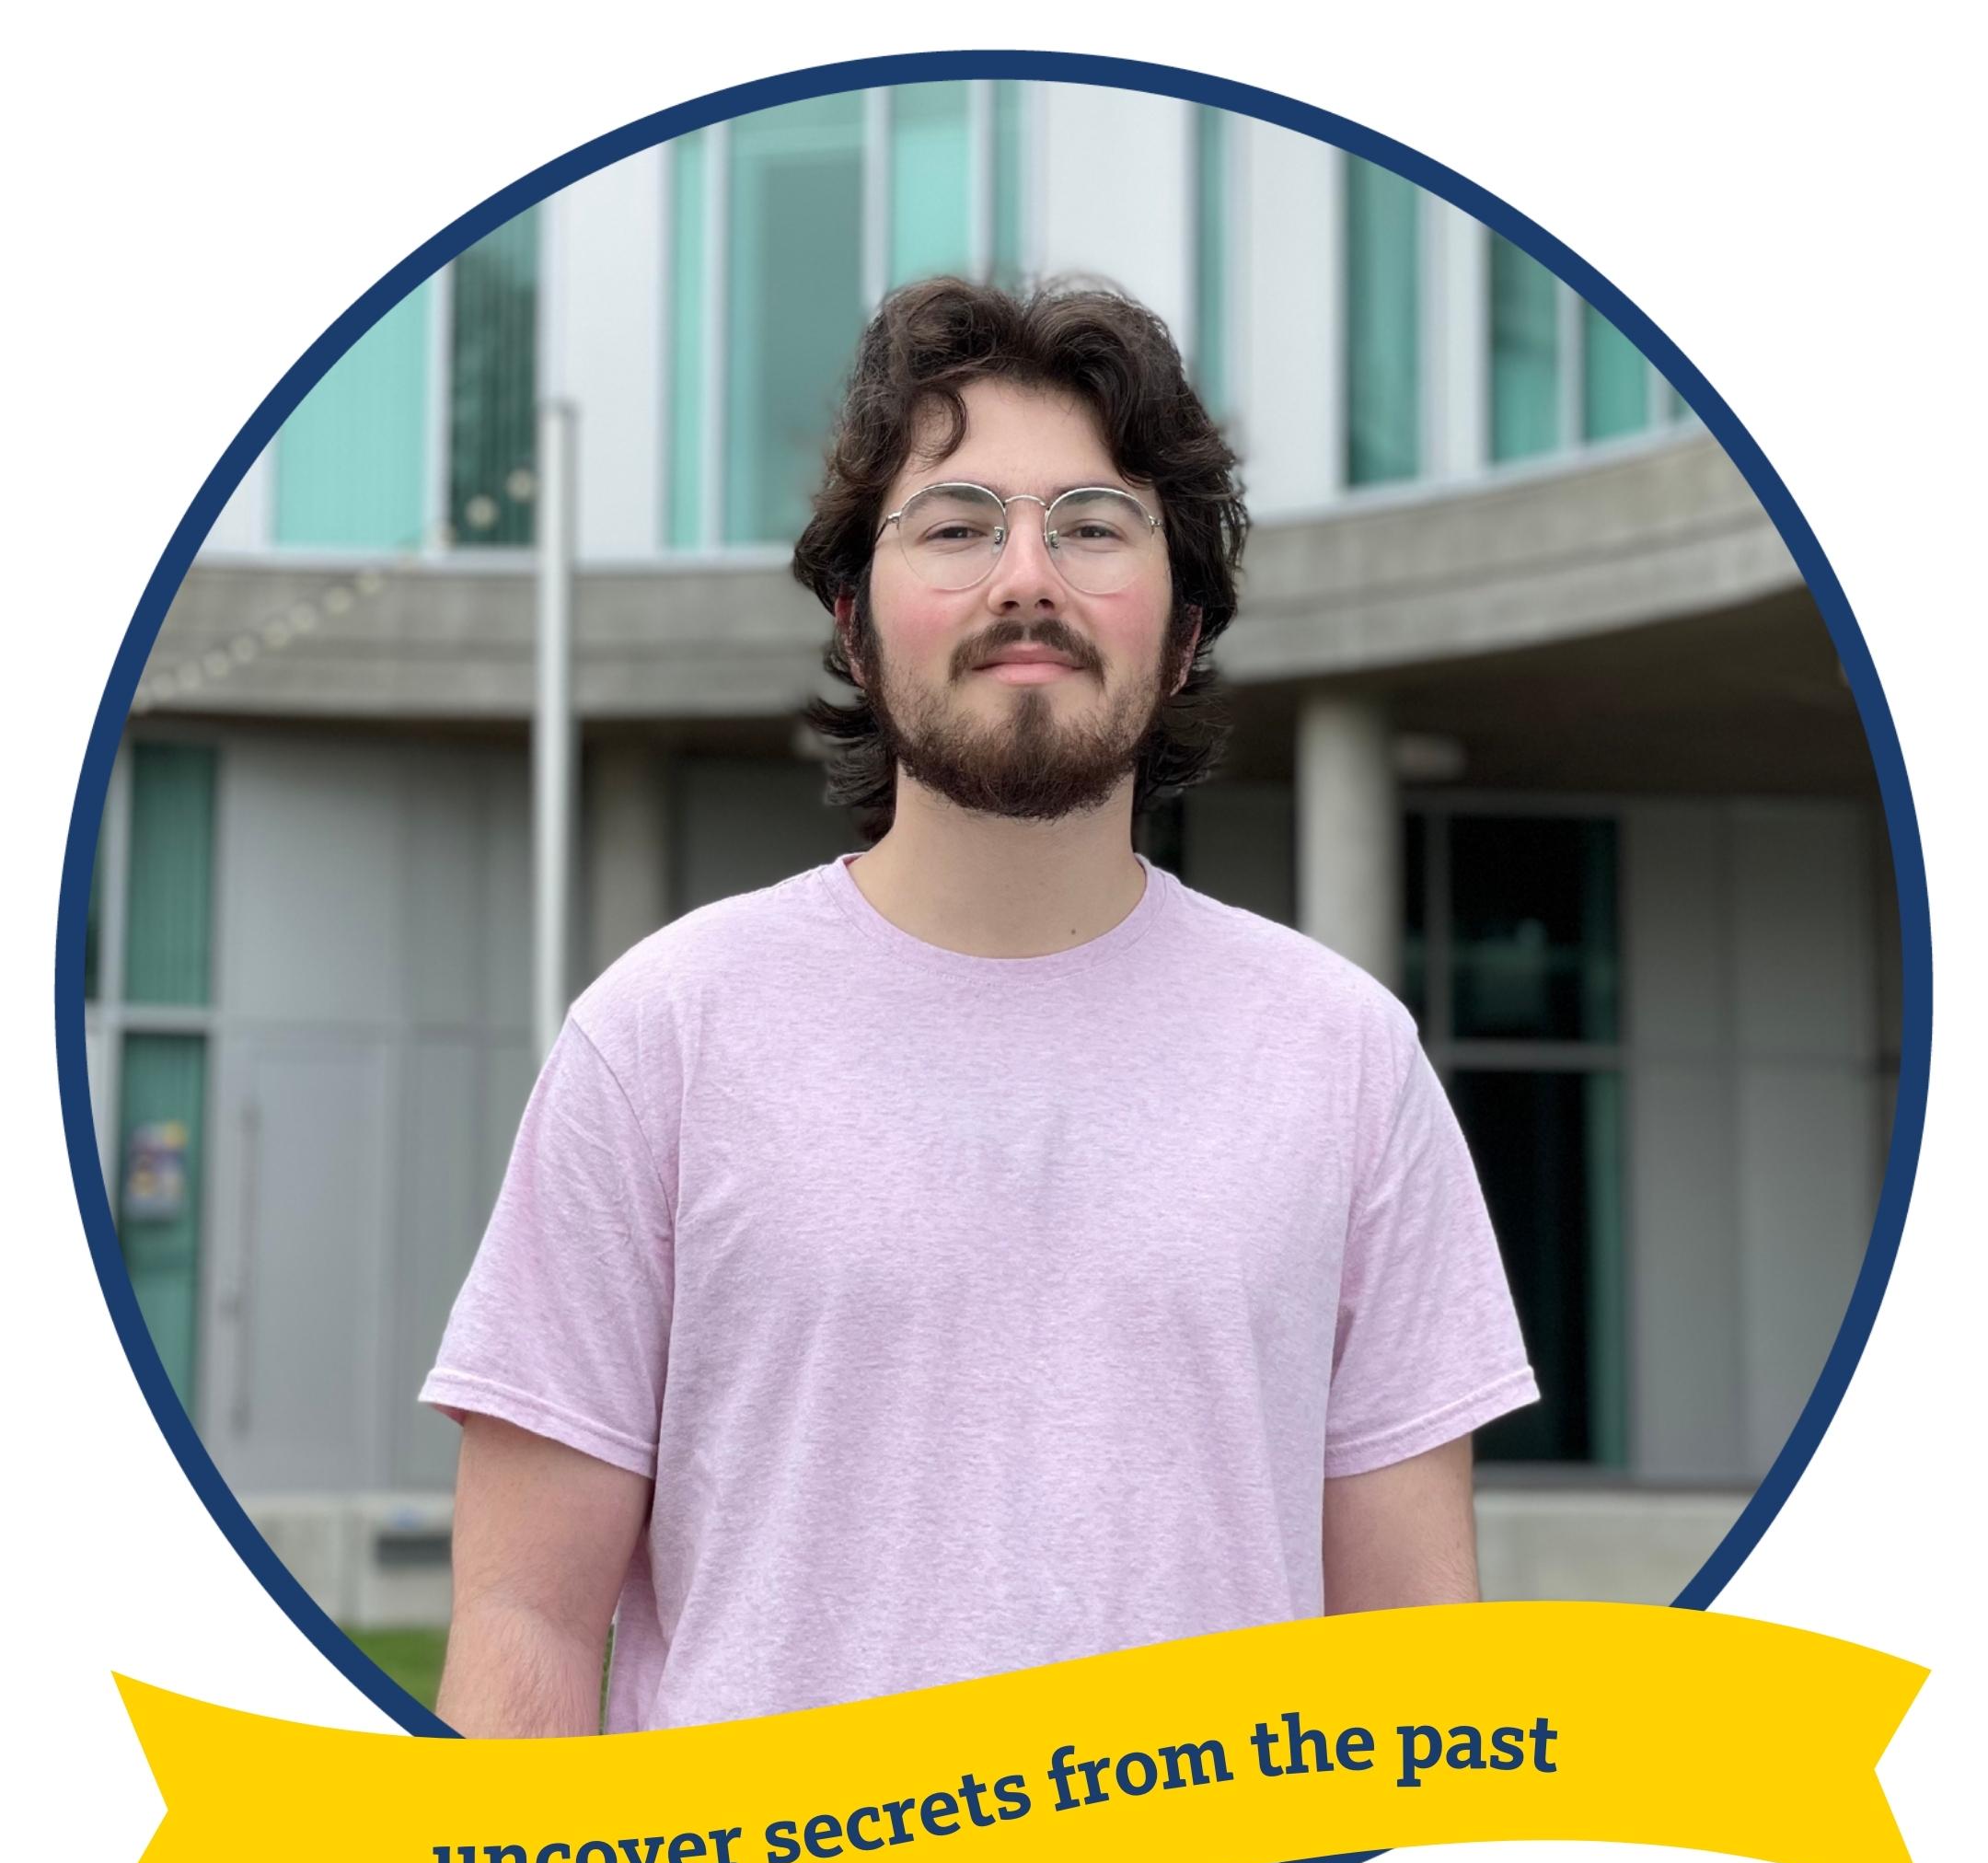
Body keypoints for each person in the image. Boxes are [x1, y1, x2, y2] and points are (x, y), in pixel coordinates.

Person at [421, 276, 1538, 1752]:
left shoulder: (1343, 1059)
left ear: (1186, 628)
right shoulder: (662, 1038)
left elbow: (1415, 1661)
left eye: (1093, 524)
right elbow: (525, 1622)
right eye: (955, 526)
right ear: (854, 618)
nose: (1028, 577)